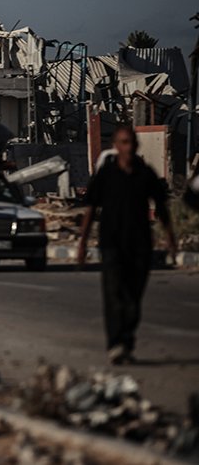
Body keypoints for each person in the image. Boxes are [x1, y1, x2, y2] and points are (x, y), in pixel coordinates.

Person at [77, 125, 176, 365]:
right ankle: (116, 344)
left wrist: (171, 236)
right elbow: (91, 208)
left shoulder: (145, 173)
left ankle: (127, 340)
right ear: (116, 146)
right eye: (123, 143)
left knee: (133, 296)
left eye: (131, 143)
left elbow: (161, 207)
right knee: (113, 295)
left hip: (140, 243)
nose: (128, 148)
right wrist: (83, 242)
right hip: (111, 243)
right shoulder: (106, 174)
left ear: (136, 145)